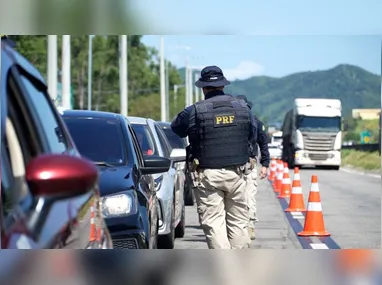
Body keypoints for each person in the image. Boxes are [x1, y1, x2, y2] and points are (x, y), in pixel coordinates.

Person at [171, 65, 258, 249]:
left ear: (203, 88)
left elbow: (176, 128)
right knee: (239, 224)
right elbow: (253, 134)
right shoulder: (243, 108)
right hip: (238, 173)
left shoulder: (194, 110)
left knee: (214, 225)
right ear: (222, 85)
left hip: (207, 175)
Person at [236, 95, 270, 240]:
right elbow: (264, 144)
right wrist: (265, 165)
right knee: (248, 195)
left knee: (241, 197)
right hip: (249, 163)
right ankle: (248, 227)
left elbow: (263, 144)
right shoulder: (256, 122)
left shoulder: (234, 121)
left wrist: (265, 164)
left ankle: (247, 227)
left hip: (238, 164)